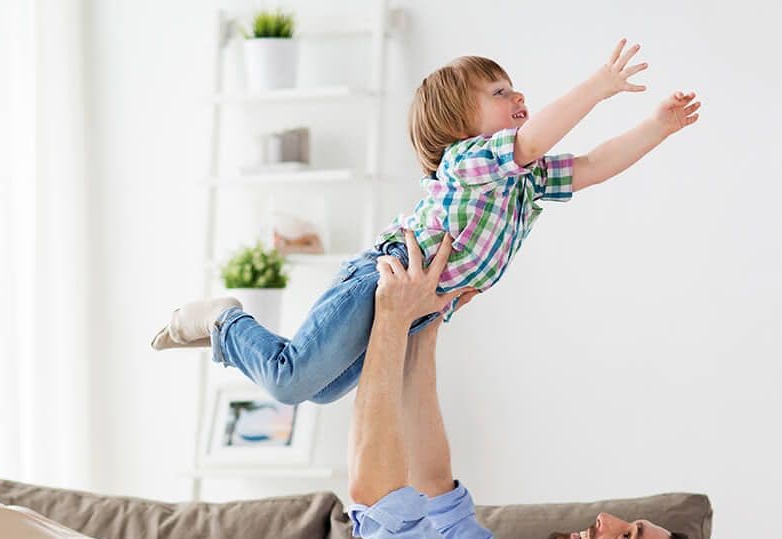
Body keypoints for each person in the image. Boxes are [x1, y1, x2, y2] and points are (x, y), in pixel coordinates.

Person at [0, 233, 703, 539]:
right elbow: (434, 490)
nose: (608, 520)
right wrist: (427, 327)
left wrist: (391, 322)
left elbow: (379, 498)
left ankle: (227, 324)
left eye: (628, 535)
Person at [151, 38, 702, 406]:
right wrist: (598, 86)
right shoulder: (466, 161)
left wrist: (657, 127)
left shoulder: (526, 178)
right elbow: (532, 139)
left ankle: (224, 335)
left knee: (319, 392)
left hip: (414, 307)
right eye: (500, 91)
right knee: (291, 382)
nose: (519, 96)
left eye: (513, 87)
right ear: (459, 124)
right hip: (382, 283)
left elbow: (590, 166)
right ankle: (225, 321)